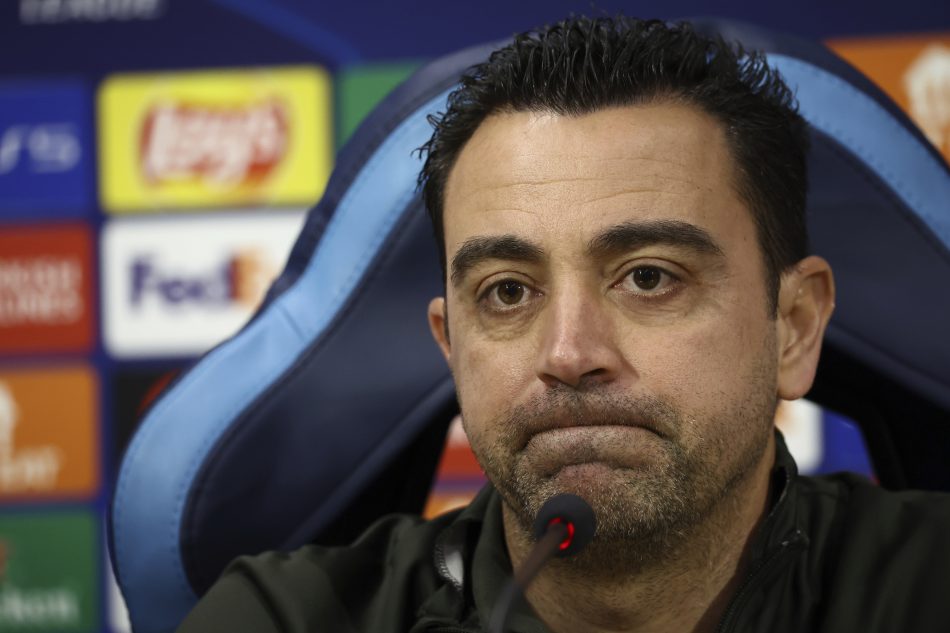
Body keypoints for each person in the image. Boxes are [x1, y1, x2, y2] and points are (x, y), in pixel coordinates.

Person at [178, 16, 950, 632]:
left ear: (795, 327)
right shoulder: (282, 619)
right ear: (452, 347)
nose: (570, 352)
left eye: (649, 277)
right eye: (508, 291)